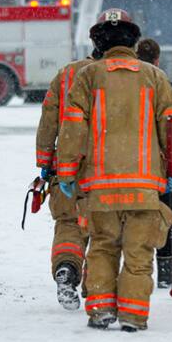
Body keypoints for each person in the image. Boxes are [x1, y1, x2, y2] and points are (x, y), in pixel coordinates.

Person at [56, 9, 172, 332]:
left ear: (100, 42)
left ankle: (100, 310)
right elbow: (171, 131)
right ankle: (132, 316)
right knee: (139, 254)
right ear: (133, 41)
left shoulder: (87, 77)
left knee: (102, 246)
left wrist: (68, 173)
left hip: (101, 186)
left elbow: (72, 130)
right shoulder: (155, 78)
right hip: (144, 186)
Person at [34, 48, 98, 310]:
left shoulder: (67, 74)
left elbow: (48, 120)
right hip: (108, 166)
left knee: (69, 223)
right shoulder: (126, 74)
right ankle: (97, 286)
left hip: (67, 164)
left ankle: (66, 268)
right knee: (105, 230)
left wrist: (45, 163)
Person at [135, 37, 172, 289]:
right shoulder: (168, 86)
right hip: (165, 165)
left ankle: (135, 266)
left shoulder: (128, 87)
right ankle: (166, 269)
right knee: (165, 216)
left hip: (135, 164)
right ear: (157, 59)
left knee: (135, 216)